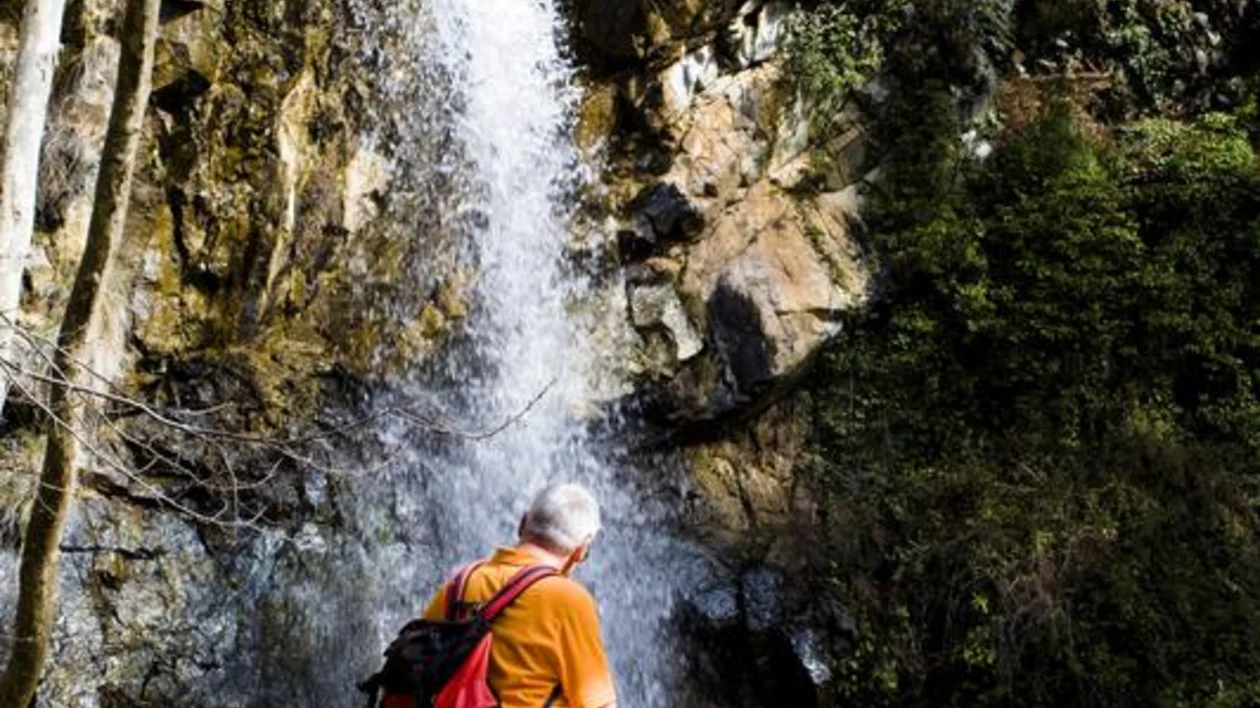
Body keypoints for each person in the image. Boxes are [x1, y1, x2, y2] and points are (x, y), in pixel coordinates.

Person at [421, 483, 618, 708]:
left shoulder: (461, 583)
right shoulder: (569, 600)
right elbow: (599, 704)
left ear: (523, 522)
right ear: (580, 550)